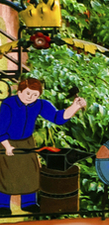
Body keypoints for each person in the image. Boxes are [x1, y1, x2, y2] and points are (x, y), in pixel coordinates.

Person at [0, 79, 83, 213]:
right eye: (28, 93)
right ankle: (2, 205)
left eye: (35, 95)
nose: (30, 98)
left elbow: (58, 118)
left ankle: (28, 202)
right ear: (20, 91)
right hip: (6, 142)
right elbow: (1, 128)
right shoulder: (9, 104)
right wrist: (7, 146)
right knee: (5, 173)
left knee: (31, 172)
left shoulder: (40, 105)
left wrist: (75, 106)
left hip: (27, 142)